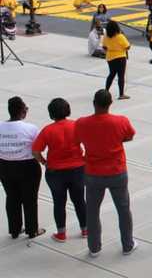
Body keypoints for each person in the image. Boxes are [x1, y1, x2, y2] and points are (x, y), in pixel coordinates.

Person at [75, 90, 136, 257]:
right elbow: (130, 136)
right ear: (110, 104)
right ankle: (127, 245)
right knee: (123, 209)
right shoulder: (120, 121)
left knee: (93, 211)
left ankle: (94, 247)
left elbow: (77, 140)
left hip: (93, 173)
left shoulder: (81, 123)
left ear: (94, 103)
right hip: (117, 171)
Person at [31, 98, 87, 243]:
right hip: (77, 169)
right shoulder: (76, 126)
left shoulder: (48, 130)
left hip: (55, 171)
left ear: (51, 113)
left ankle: (61, 233)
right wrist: (85, 159)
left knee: (59, 202)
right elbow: (90, 143)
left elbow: (36, 151)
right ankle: (85, 229)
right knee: (80, 200)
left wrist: (44, 161)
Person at [0, 97, 44, 239]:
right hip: (27, 167)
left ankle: (14, 229)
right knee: (30, 199)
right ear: (22, 111)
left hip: (5, 166)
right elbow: (37, 149)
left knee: (12, 197)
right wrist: (43, 162)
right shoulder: (30, 128)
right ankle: (32, 230)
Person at [103, 20, 131, 100]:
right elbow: (128, 47)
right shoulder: (120, 36)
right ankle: (121, 94)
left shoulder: (106, 36)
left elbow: (104, 47)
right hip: (120, 57)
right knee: (121, 76)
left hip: (110, 57)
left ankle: (106, 91)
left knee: (111, 74)